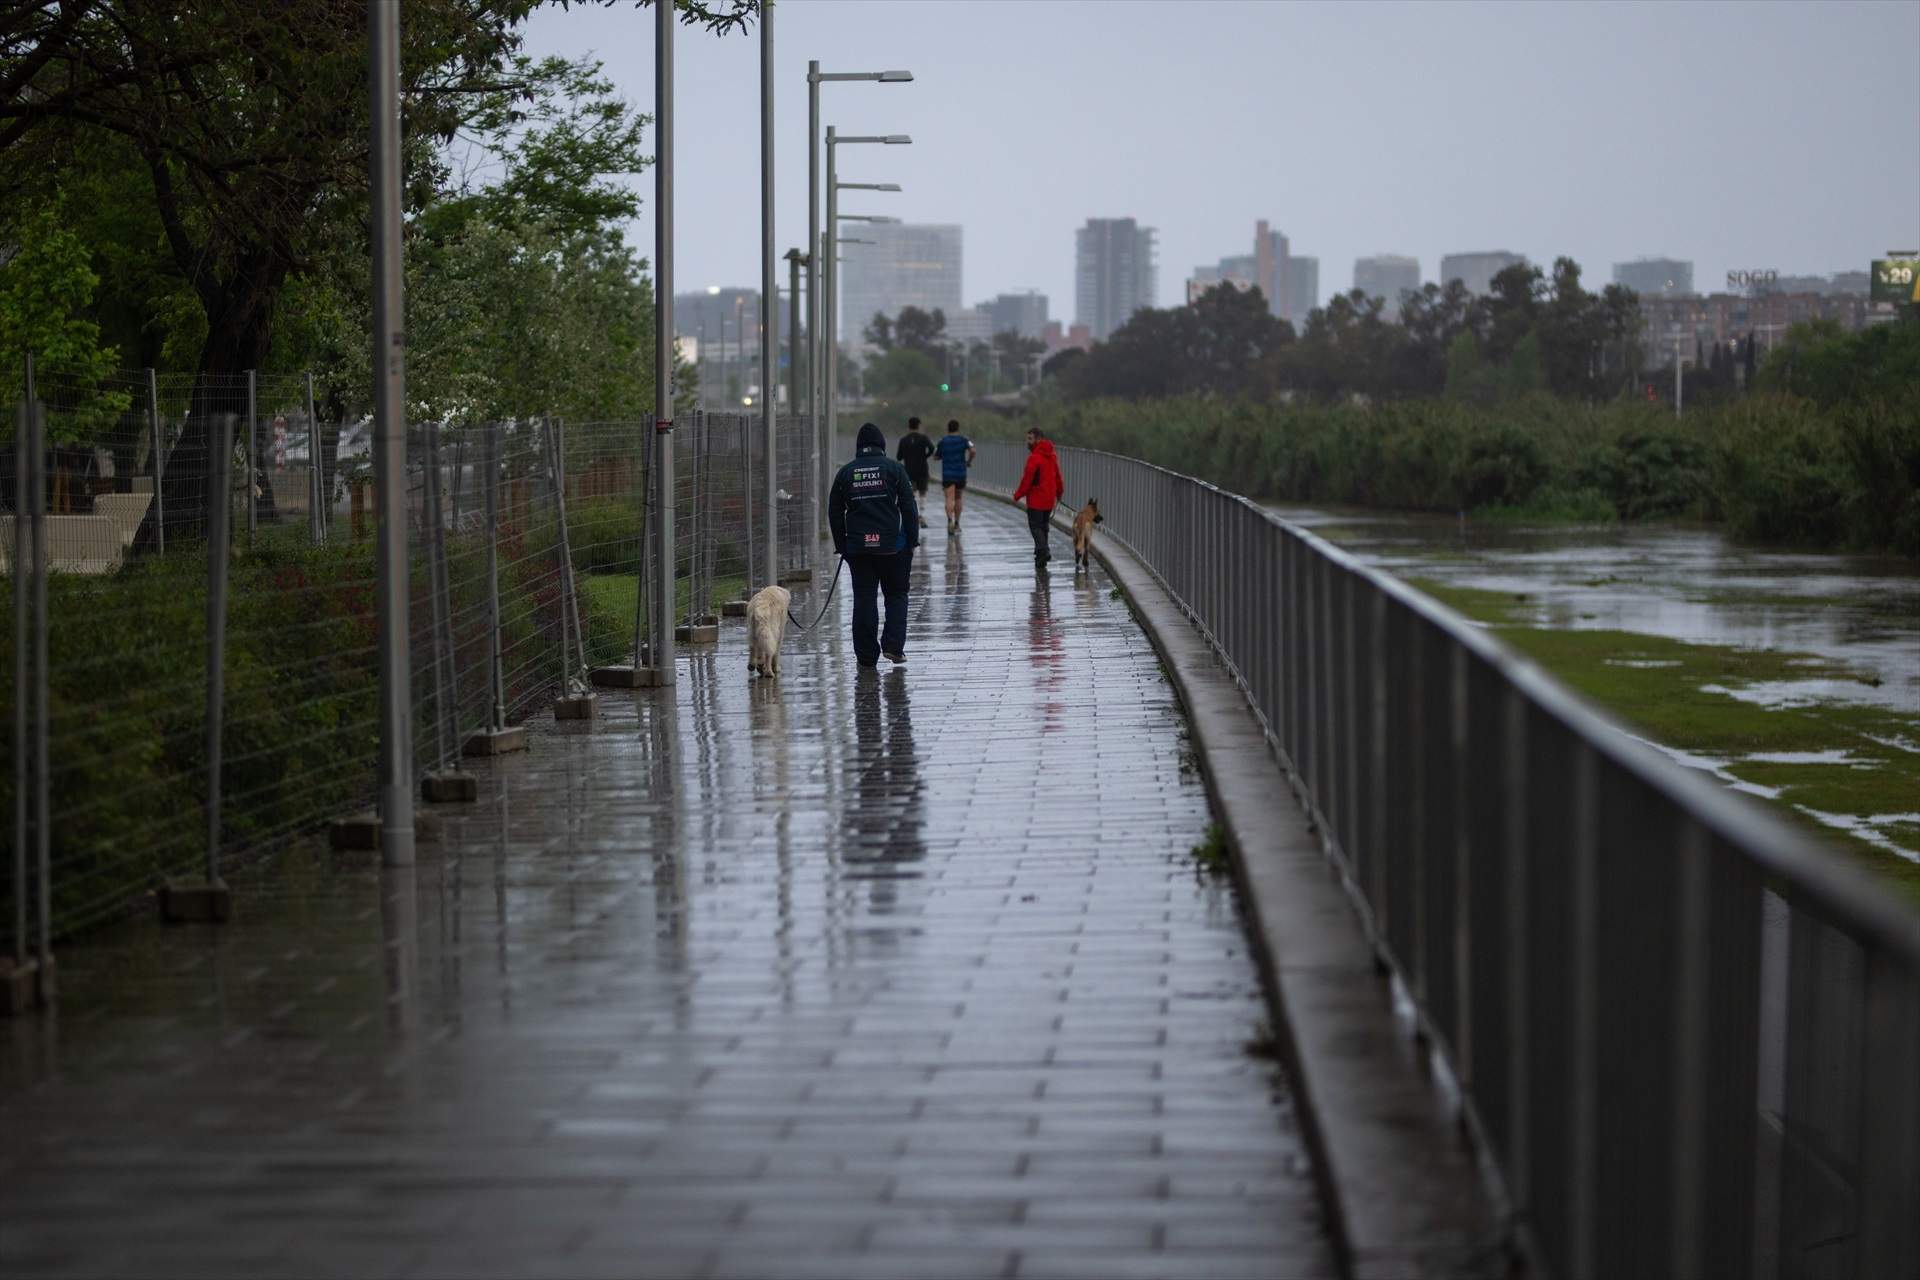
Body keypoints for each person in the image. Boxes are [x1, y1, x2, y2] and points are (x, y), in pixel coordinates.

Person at [829, 422, 920, 668]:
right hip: (894, 547)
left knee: (864, 598)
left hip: (859, 549)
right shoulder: (895, 470)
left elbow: (834, 512)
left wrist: (842, 545)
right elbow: (909, 508)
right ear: (882, 446)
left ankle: (867, 656)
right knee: (897, 595)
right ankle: (893, 646)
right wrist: (911, 541)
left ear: (859, 447)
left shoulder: (845, 473)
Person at [1012, 426, 1065, 569]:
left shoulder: (1034, 458)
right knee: (1043, 527)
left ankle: (1044, 550)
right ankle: (1040, 557)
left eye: (1030, 439)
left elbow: (1027, 480)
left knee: (1035, 527)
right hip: (1049, 499)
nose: (1027, 442)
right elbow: (1058, 477)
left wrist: (1017, 495)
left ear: (1038, 439)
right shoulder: (1052, 456)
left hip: (1036, 499)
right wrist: (1059, 493)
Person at [932, 418, 975, 536]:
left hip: (947, 474)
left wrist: (942, 456)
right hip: (961, 473)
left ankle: (949, 521)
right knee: (959, 498)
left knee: (949, 498)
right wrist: (968, 461)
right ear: (958, 428)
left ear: (948, 428)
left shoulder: (942, 441)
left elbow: (935, 456)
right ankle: (957, 523)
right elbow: (973, 450)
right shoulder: (964, 440)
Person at [896, 416, 935, 526]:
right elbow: (932, 449)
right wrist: (924, 456)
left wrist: (907, 455)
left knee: (912, 494)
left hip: (909, 470)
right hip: (922, 469)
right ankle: (921, 516)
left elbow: (899, 457)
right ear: (919, 426)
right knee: (922, 493)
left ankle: (914, 515)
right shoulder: (924, 438)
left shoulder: (903, 440)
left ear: (909, 426)